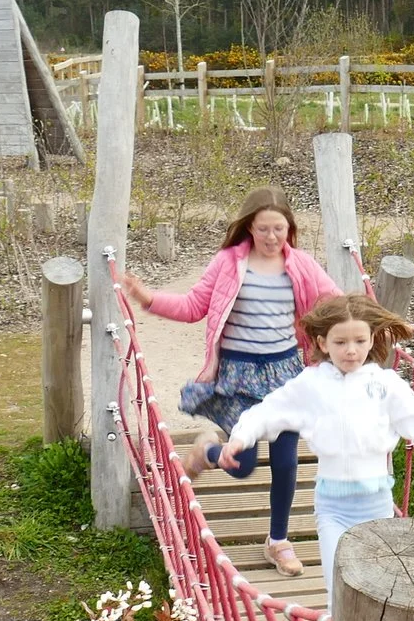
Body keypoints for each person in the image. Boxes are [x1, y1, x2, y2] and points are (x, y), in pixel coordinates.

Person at [120, 187, 340, 577]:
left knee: (287, 461)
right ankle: (206, 452)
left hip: (285, 374)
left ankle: (277, 541)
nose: (272, 238)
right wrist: (147, 298)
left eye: (279, 229)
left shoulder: (302, 265)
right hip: (238, 377)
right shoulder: (227, 263)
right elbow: (193, 307)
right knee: (242, 464)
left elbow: (337, 304)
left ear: (290, 228)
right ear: (248, 228)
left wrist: (380, 323)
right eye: (263, 229)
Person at [218, 294, 414, 601]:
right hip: (332, 507)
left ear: (372, 339)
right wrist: (241, 437)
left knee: (378, 589)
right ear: (323, 343)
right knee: (337, 587)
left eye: (359, 341)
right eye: (340, 343)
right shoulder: (311, 384)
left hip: (376, 505)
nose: (351, 350)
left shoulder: (386, 385)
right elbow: (268, 411)